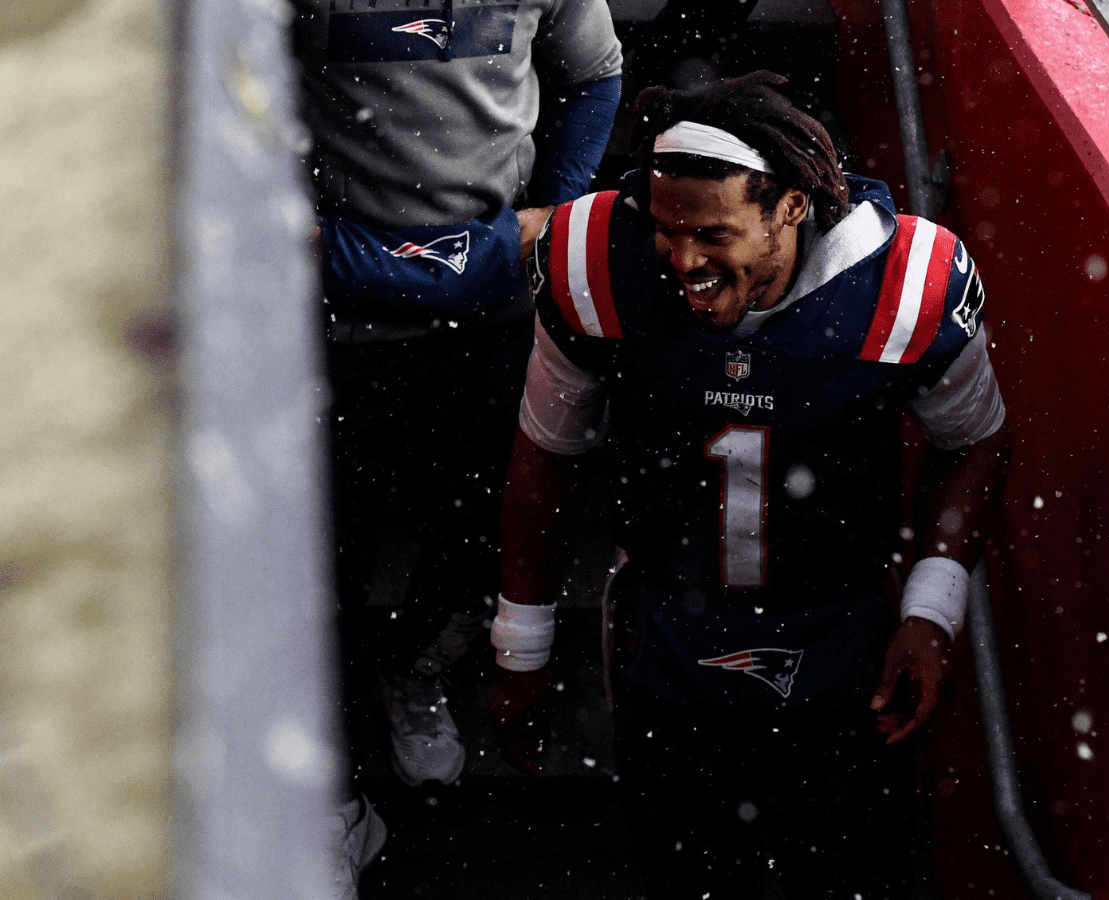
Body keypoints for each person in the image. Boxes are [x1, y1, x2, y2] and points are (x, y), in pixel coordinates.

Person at [489, 71, 1011, 899]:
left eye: (711, 234)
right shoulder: (598, 259)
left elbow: (973, 441)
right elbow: (548, 450)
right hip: (666, 631)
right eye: (665, 230)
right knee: (683, 871)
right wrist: (523, 642)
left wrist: (932, 607)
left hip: (840, 635)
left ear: (793, 207)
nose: (682, 259)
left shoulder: (905, 283)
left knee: (849, 875)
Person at [291, 0, 621, 893]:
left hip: (487, 313)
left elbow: (593, 77)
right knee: (322, 552)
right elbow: (231, 104)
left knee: (479, 521)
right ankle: (326, 769)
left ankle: (415, 666)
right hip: (332, 311)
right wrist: (315, 241)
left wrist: (550, 215)